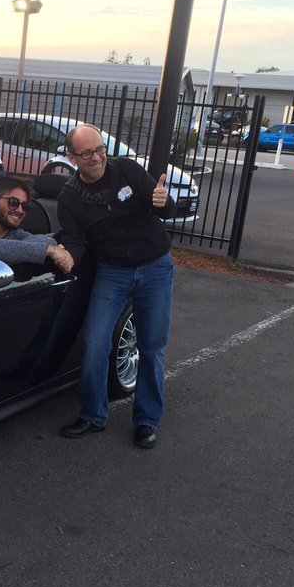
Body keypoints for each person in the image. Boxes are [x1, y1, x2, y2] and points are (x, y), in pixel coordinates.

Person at [56, 124, 175, 449]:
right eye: (87, 153)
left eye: (100, 149)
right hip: (113, 273)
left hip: (155, 266)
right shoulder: (70, 198)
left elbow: (166, 208)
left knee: (151, 347)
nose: (96, 157)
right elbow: (74, 241)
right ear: (72, 158)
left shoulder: (127, 170)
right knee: (95, 343)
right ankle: (93, 414)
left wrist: (163, 202)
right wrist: (66, 255)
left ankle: (147, 420)